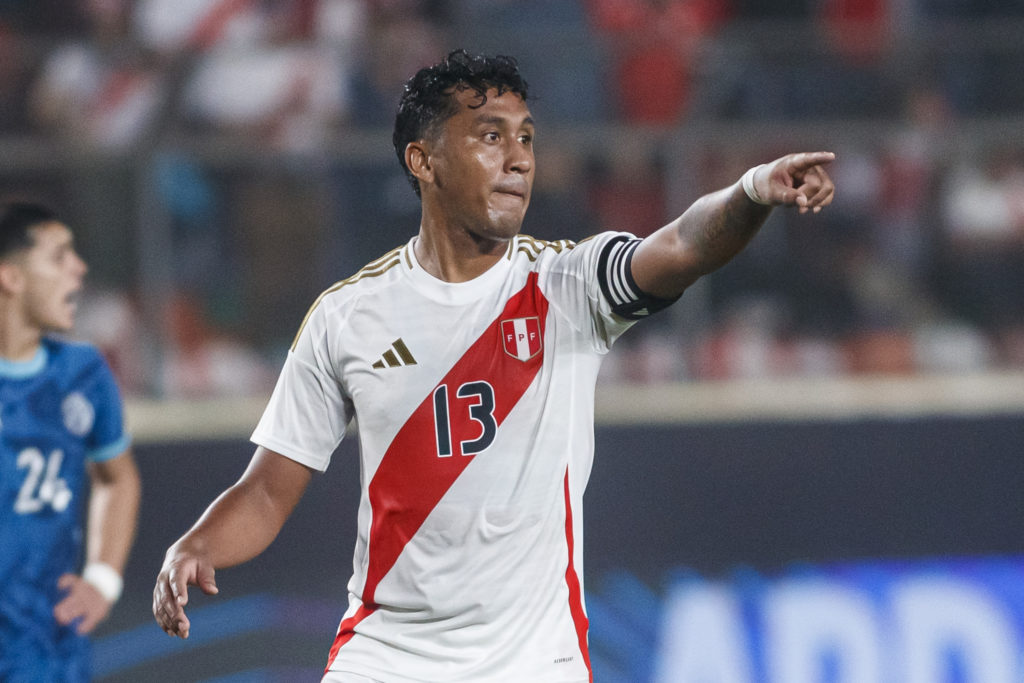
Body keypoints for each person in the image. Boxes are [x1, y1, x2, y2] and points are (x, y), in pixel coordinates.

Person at [153, 49, 835, 682]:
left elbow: (684, 243)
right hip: (389, 658)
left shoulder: (569, 286)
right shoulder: (348, 317)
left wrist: (749, 191)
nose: (518, 158)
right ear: (424, 161)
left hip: (535, 662)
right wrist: (195, 544)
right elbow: (269, 488)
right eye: (490, 136)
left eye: (527, 137)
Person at [0, 201, 140, 681]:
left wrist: (103, 579)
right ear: (11, 278)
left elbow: (117, 478)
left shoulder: (83, 373)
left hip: (51, 655)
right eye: (60, 257)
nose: (78, 270)